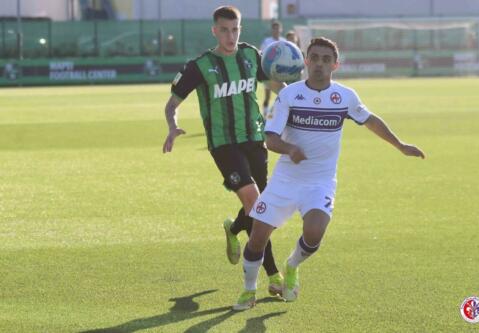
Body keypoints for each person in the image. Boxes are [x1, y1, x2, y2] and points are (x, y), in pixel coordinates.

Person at [233, 37, 426, 310]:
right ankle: (248, 290)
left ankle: (291, 266)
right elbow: (270, 138)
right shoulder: (290, 95)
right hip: (285, 181)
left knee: (314, 234)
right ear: (306, 62)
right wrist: (290, 149)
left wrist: (400, 145)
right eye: (315, 58)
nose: (320, 64)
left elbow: (370, 120)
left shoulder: (345, 97)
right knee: (257, 239)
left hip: (320, 183)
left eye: (326, 59)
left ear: (335, 64)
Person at [162, 6, 285, 296]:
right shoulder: (200, 66)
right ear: (214, 30)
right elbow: (172, 104)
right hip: (224, 145)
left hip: (255, 139)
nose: (231, 36)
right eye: (225, 30)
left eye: (235, 29)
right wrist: (172, 126)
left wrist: (299, 95)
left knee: (258, 207)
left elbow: (275, 86)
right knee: (257, 205)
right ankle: (273, 274)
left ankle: (233, 230)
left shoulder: (251, 55)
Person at [260, 20, 286, 117]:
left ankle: (278, 114)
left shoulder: (284, 41)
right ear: (272, 30)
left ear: (281, 30)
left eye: (278, 28)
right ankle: (265, 114)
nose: (276, 30)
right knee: (267, 95)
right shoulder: (267, 41)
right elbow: (262, 54)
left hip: (281, 73)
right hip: (269, 72)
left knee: (283, 95)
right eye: (274, 28)